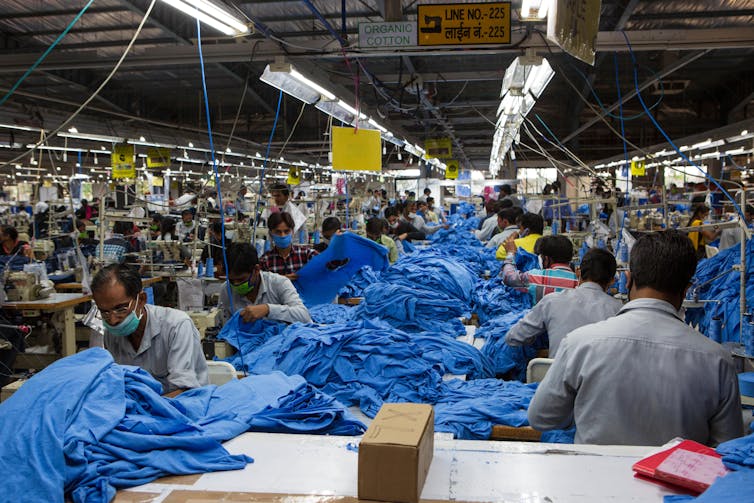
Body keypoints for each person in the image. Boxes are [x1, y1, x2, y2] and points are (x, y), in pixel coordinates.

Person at [528, 231, 743, 446]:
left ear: (628, 280)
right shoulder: (718, 361)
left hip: (593, 476)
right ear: (686, 290)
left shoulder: (579, 343)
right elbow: (727, 448)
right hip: (671, 479)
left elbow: (541, 418)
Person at [91, 264, 208, 395]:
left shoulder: (176, 326)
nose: (113, 320)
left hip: (181, 407)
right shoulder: (112, 333)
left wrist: (145, 408)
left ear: (141, 300)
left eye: (121, 309)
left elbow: (184, 390)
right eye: (104, 312)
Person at [505, 248, 622, 357]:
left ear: (578, 272)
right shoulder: (619, 311)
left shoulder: (551, 301)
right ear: (612, 281)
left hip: (557, 375)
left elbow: (513, 337)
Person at [219, 243, 311, 324]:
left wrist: (268, 309)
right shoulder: (226, 290)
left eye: (241, 280)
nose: (236, 284)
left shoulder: (279, 283)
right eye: (231, 280)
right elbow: (224, 324)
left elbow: (304, 316)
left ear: (256, 270)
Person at [501, 234, 578, 305]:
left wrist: (511, 253)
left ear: (546, 259)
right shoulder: (578, 281)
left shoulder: (536, 276)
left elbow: (508, 277)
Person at [260, 212, 318, 280]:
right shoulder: (265, 261)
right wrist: (282, 280)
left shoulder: (307, 254)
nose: (283, 235)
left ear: (293, 232)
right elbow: (262, 284)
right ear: (271, 234)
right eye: (278, 232)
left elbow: (327, 266)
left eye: (286, 231)